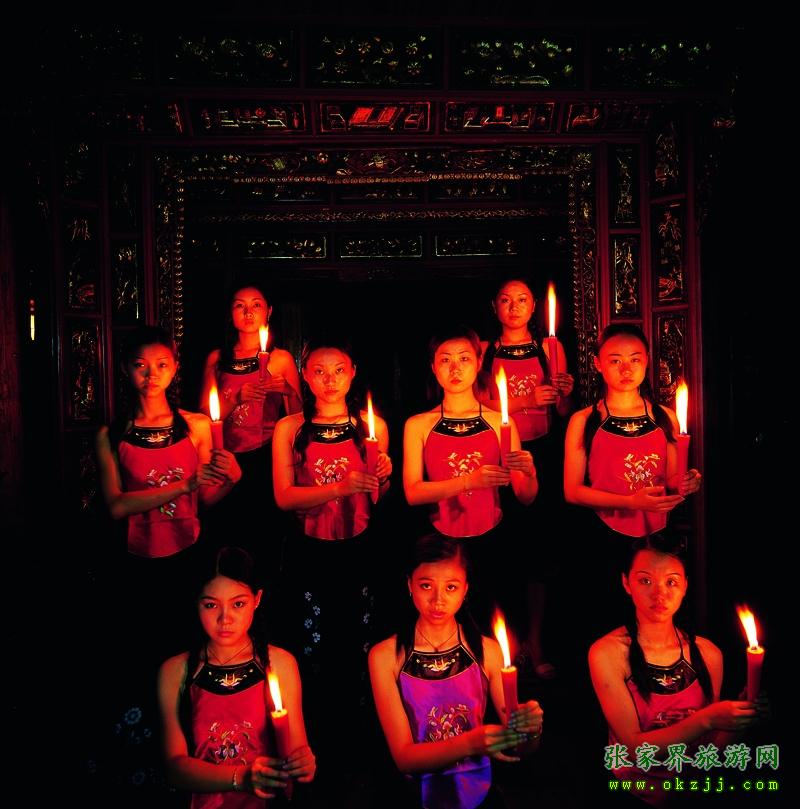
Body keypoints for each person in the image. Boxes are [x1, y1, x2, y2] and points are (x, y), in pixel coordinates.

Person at [93, 325, 242, 794]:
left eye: (161, 364)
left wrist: (231, 479)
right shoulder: (112, 433)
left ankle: (197, 760)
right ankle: (143, 768)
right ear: (126, 370)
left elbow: (206, 500)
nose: (151, 374)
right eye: (140, 365)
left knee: (188, 657)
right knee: (140, 657)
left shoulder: (195, 425)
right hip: (135, 563)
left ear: (175, 368)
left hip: (189, 556)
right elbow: (116, 505)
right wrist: (182, 485)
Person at [271, 335, 392, 790]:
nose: (329, 380)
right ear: (304, 376)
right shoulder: (290, 428)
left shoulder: (370, 426)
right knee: (312, 643)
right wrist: (339, 487)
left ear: (353, 372)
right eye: (319, 371)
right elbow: (284, 498)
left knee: (359, 639)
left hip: (360, 547)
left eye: (338, 370)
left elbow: (376, 499)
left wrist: (383, 476)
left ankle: (360, 742)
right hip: (309, 549)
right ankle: (315, 741)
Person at [369, 533, 543, 809]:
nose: (438, 600)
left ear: (465, 589)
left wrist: (531, 729)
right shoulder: (385, 656)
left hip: (479, 792)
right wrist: (471, 743)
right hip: (414, 796)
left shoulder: (487, 651)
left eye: (451, 587)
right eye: (426, 585)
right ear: (409, 585)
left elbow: (520, 747)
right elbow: (404, 758)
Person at [588, 533, 764, 804]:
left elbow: (710, 751)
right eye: (645, 580)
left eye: (671, 582)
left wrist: (738, 721)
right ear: (626, 583)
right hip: (634, 794)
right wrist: (708, 719)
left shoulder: (707, 654)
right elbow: (635, 750)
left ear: (685, 587)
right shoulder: (608, 653)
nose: (660, 593)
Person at [158, 546, 315, 807]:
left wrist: (304, 764)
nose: (225, 619)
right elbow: (174, 768)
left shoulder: (279, 663)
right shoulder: (176, 670)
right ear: (196, 602)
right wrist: (241, 777)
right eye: (211, 605)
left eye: (238, 604)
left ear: (257, 599)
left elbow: (295, 750)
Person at [403, 325, 537, 629]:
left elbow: (525, 496)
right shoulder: (418, 425)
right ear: (433, 367)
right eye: (445, 360)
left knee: (495, 623)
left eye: (464, 358)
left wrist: (529, 472)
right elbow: (412, 493)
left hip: (493, 538)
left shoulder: (499, 422)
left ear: (478, 363)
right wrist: (468, 481)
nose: (455, 368)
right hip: (441, 543)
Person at [479, 277, 574, 679]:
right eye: (505, 300)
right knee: (503, 552)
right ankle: (506, 643)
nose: (514, 306)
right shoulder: (484, 351)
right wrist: (526, 400)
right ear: (494, 307)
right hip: (498, 453)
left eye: (522, 299)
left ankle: (536, 642)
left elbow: (563, 410)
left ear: (534, 306)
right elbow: (478, 405)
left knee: (541, 555)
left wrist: (563, 392)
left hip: (543, 454)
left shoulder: (551, 348)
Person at [199, 284, 302, 566]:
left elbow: (297, 422)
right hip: (225, 457)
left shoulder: (280, 359)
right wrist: (236, 398)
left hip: (265, 457)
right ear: (230, 313)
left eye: (256, 305)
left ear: (268, 312)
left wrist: (288, 392)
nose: (248, 312)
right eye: (239, 305)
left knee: (264, 537)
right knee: (225, 537)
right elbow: (204, 418)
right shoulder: (217, 359)